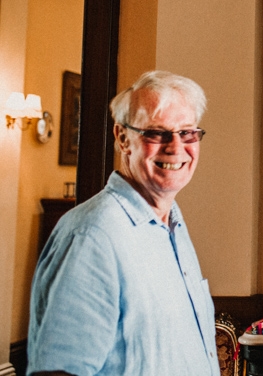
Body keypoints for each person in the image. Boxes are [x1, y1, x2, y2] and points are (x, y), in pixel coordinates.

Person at [28, 71, 219, 376]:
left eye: (187, 132)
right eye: (157, 132)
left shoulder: (172, 226)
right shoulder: (92, 236)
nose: (175, 146)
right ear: (122, 138)